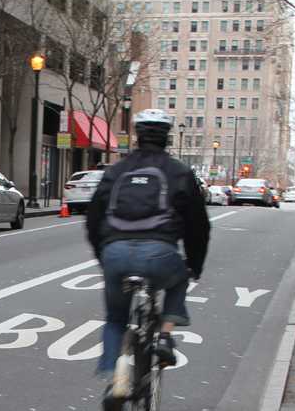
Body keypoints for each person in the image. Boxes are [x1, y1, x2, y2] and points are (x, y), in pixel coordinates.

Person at [86, 109, 211, 391]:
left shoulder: (117, 170)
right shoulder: (179, 172)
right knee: (180, 280)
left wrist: (103, 255)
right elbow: (198, 226)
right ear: (167, 137)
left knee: (116, 319)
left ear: (136, 135)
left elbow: (94, 217)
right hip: (160, 253)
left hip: (115, 253)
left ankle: (115, 378)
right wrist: (195, 265)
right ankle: (165, 337)